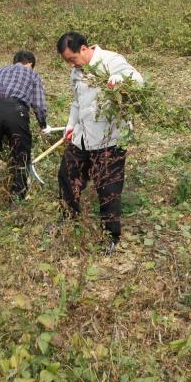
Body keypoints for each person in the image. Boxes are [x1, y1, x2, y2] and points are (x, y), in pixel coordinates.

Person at [55, 32, 144, 251]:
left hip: (109, 137)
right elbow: (76, 102)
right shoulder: (76, 73)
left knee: (108, 187)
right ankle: (68, 218)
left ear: (84, 49)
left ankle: (110, 236)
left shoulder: (111, 60)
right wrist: (70, 124)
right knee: (67, 174)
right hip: (82, 136)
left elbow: (138, 80)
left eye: (72, 59)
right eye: (67, 61)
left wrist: (118, 80)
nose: (71, 65)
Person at [0, 50, 48, 202]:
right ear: (30, 63)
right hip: (16, 111)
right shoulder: (32, 75)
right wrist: (43, 124)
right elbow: (39, 104)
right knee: (21, 155)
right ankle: (16, 198)